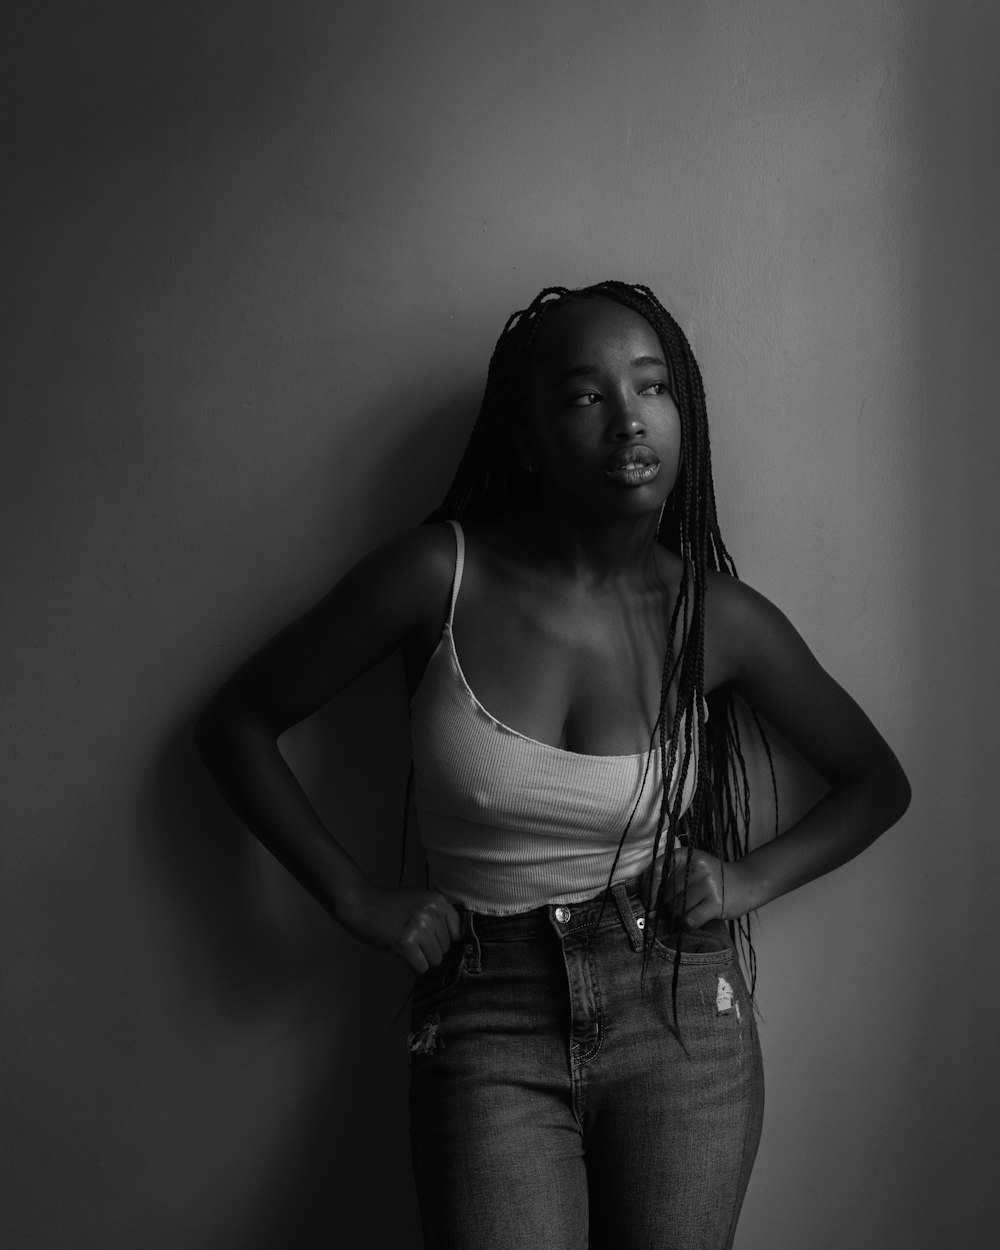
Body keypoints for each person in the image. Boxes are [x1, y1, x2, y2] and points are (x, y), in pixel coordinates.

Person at [196, 280, 911, 1249]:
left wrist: (746, 877)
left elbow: (876, 780)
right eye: (584, 394)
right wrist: (353, 897)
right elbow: (237, 721)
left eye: (652, 387)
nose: (628, 419)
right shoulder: (433, 574)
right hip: (488, 1011)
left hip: (678, 1012)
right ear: (527, 437)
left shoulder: (720, 617)